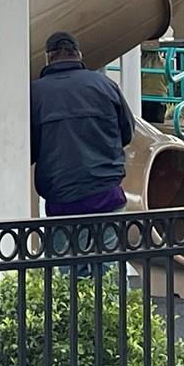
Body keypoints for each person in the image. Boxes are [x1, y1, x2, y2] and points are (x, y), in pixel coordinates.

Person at [30, 30, 135, 271]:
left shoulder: (35, 93)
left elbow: (30, 150)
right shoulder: (106, 86)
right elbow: (127, 132)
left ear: (48, 58)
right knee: (111, 274)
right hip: (106, 193)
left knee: (66, 274)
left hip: (61, 198)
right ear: (78, 55)